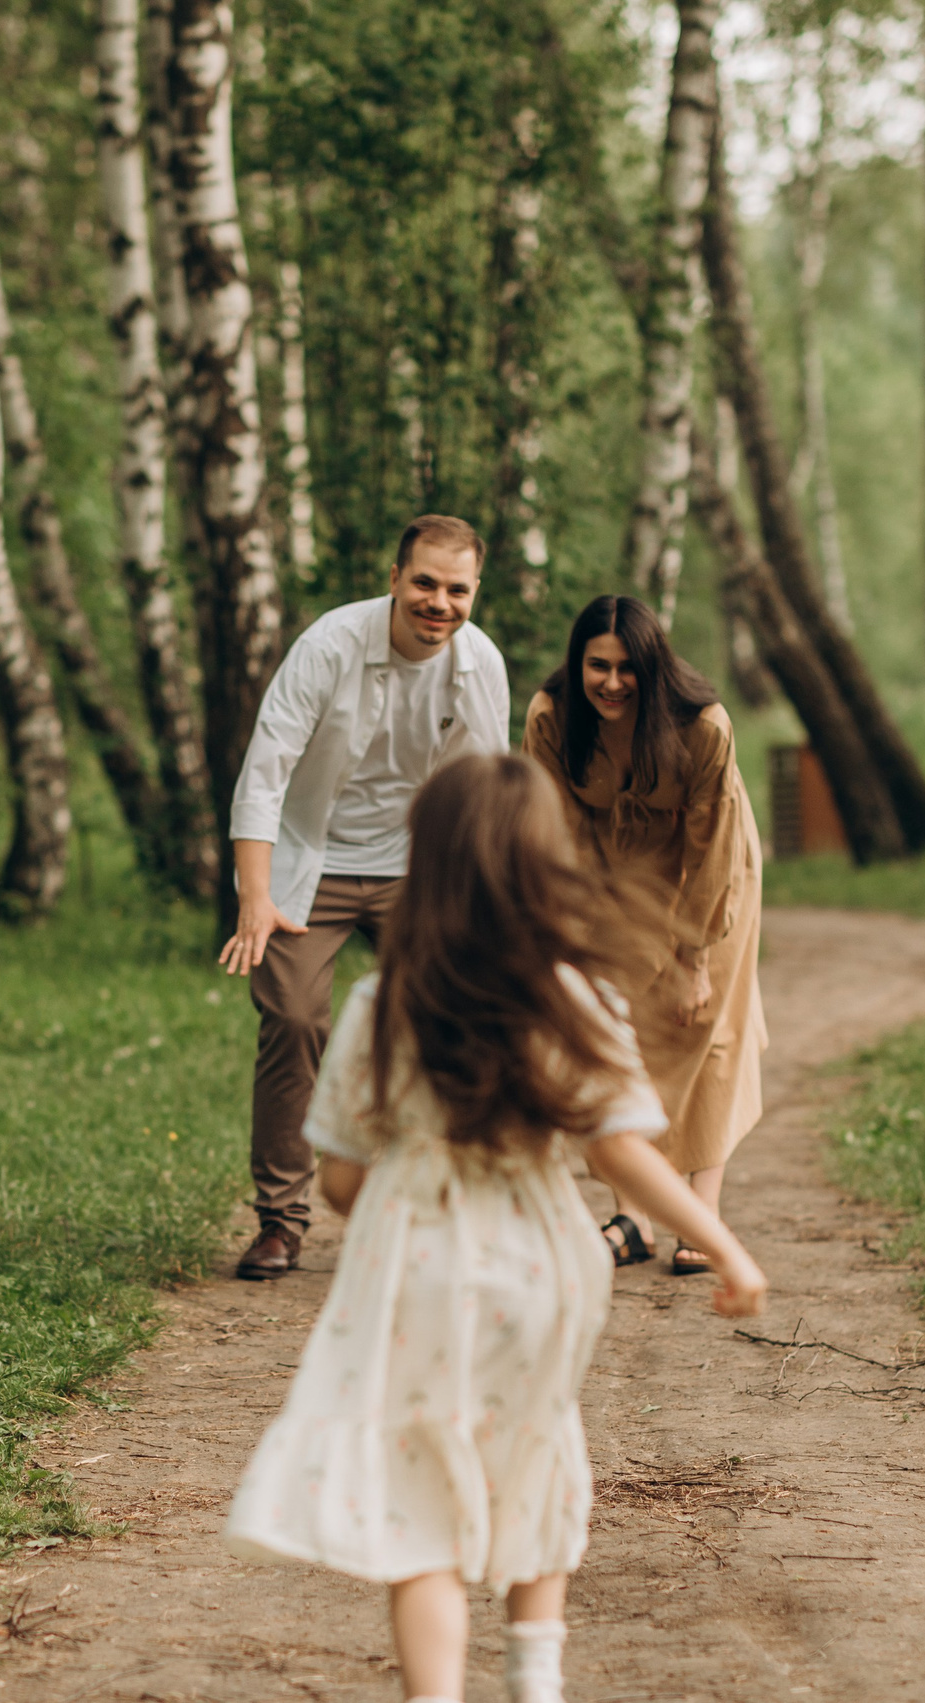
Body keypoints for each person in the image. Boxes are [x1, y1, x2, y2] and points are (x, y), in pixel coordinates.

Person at [222, 754, 769, 1703]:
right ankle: (535, 1679)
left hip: (418, 1269)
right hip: (543, 1268)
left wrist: (398, 1197)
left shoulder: (381, 1004)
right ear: (543, 863)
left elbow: (344, 1175)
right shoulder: (576, 997)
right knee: (535, 1446)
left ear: (426, 868)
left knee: (420, 1496)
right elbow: (621, 1154)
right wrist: (721, 1241)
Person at [217, 514, 511, 1281]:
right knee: (292, 1016)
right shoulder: (329, 646)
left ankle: (446, 1210)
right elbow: (266, 771)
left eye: (456, 589)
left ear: (475, 592)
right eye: (424, 582)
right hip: (306, 862)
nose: (438, 602)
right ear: (394, 577)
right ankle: (282, 1221)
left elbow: (489, 792)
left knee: (455, 1019)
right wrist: (254, 896)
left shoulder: (479, 664)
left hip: (418, 866)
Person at [523, 594, 767, 1276]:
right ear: (578, 664)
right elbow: (552, 837)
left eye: (628, 667)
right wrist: (563, 943)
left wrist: (694, 956)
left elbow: (711, 849)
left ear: (652, 667)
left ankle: (703, 1212)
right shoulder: (552, 717)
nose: (611, 681)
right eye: (597, 665)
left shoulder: (703, 728)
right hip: (605, 868)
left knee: (703, 1026)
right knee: (612, 1029)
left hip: (708, 871)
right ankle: (630, 1217)